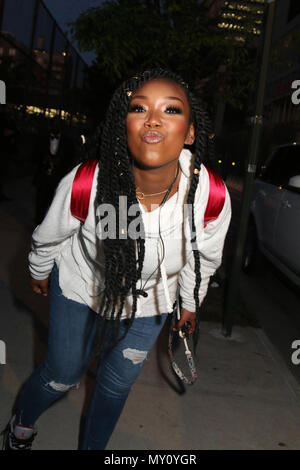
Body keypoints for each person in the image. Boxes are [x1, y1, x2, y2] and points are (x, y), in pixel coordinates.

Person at [2, 69, 231, 450]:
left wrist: (189, 304)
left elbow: (203, 257)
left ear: (190, 133)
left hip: (151, 302)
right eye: (139, 108)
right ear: (122, 125)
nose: (153, 118)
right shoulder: (89, 182)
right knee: (62, 374)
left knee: (114, 385)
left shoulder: (211, 195)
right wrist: (39, 271)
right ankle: (21, 426)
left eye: (171, 110)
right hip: (82, 288)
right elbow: (48, 237)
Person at [32, 117, 75, 224]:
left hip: (58, 179)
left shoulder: (68, 143)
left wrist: (61, 164)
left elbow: (72, 160)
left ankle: (49, 227)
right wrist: (43, 160)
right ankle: (38, 226)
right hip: (43, 177)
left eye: (58, 124)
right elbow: (34, 155)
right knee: (40, 203)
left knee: (54, 205)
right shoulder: (42, 139)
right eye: (53, 124)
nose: (55, 127)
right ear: (49, 126)